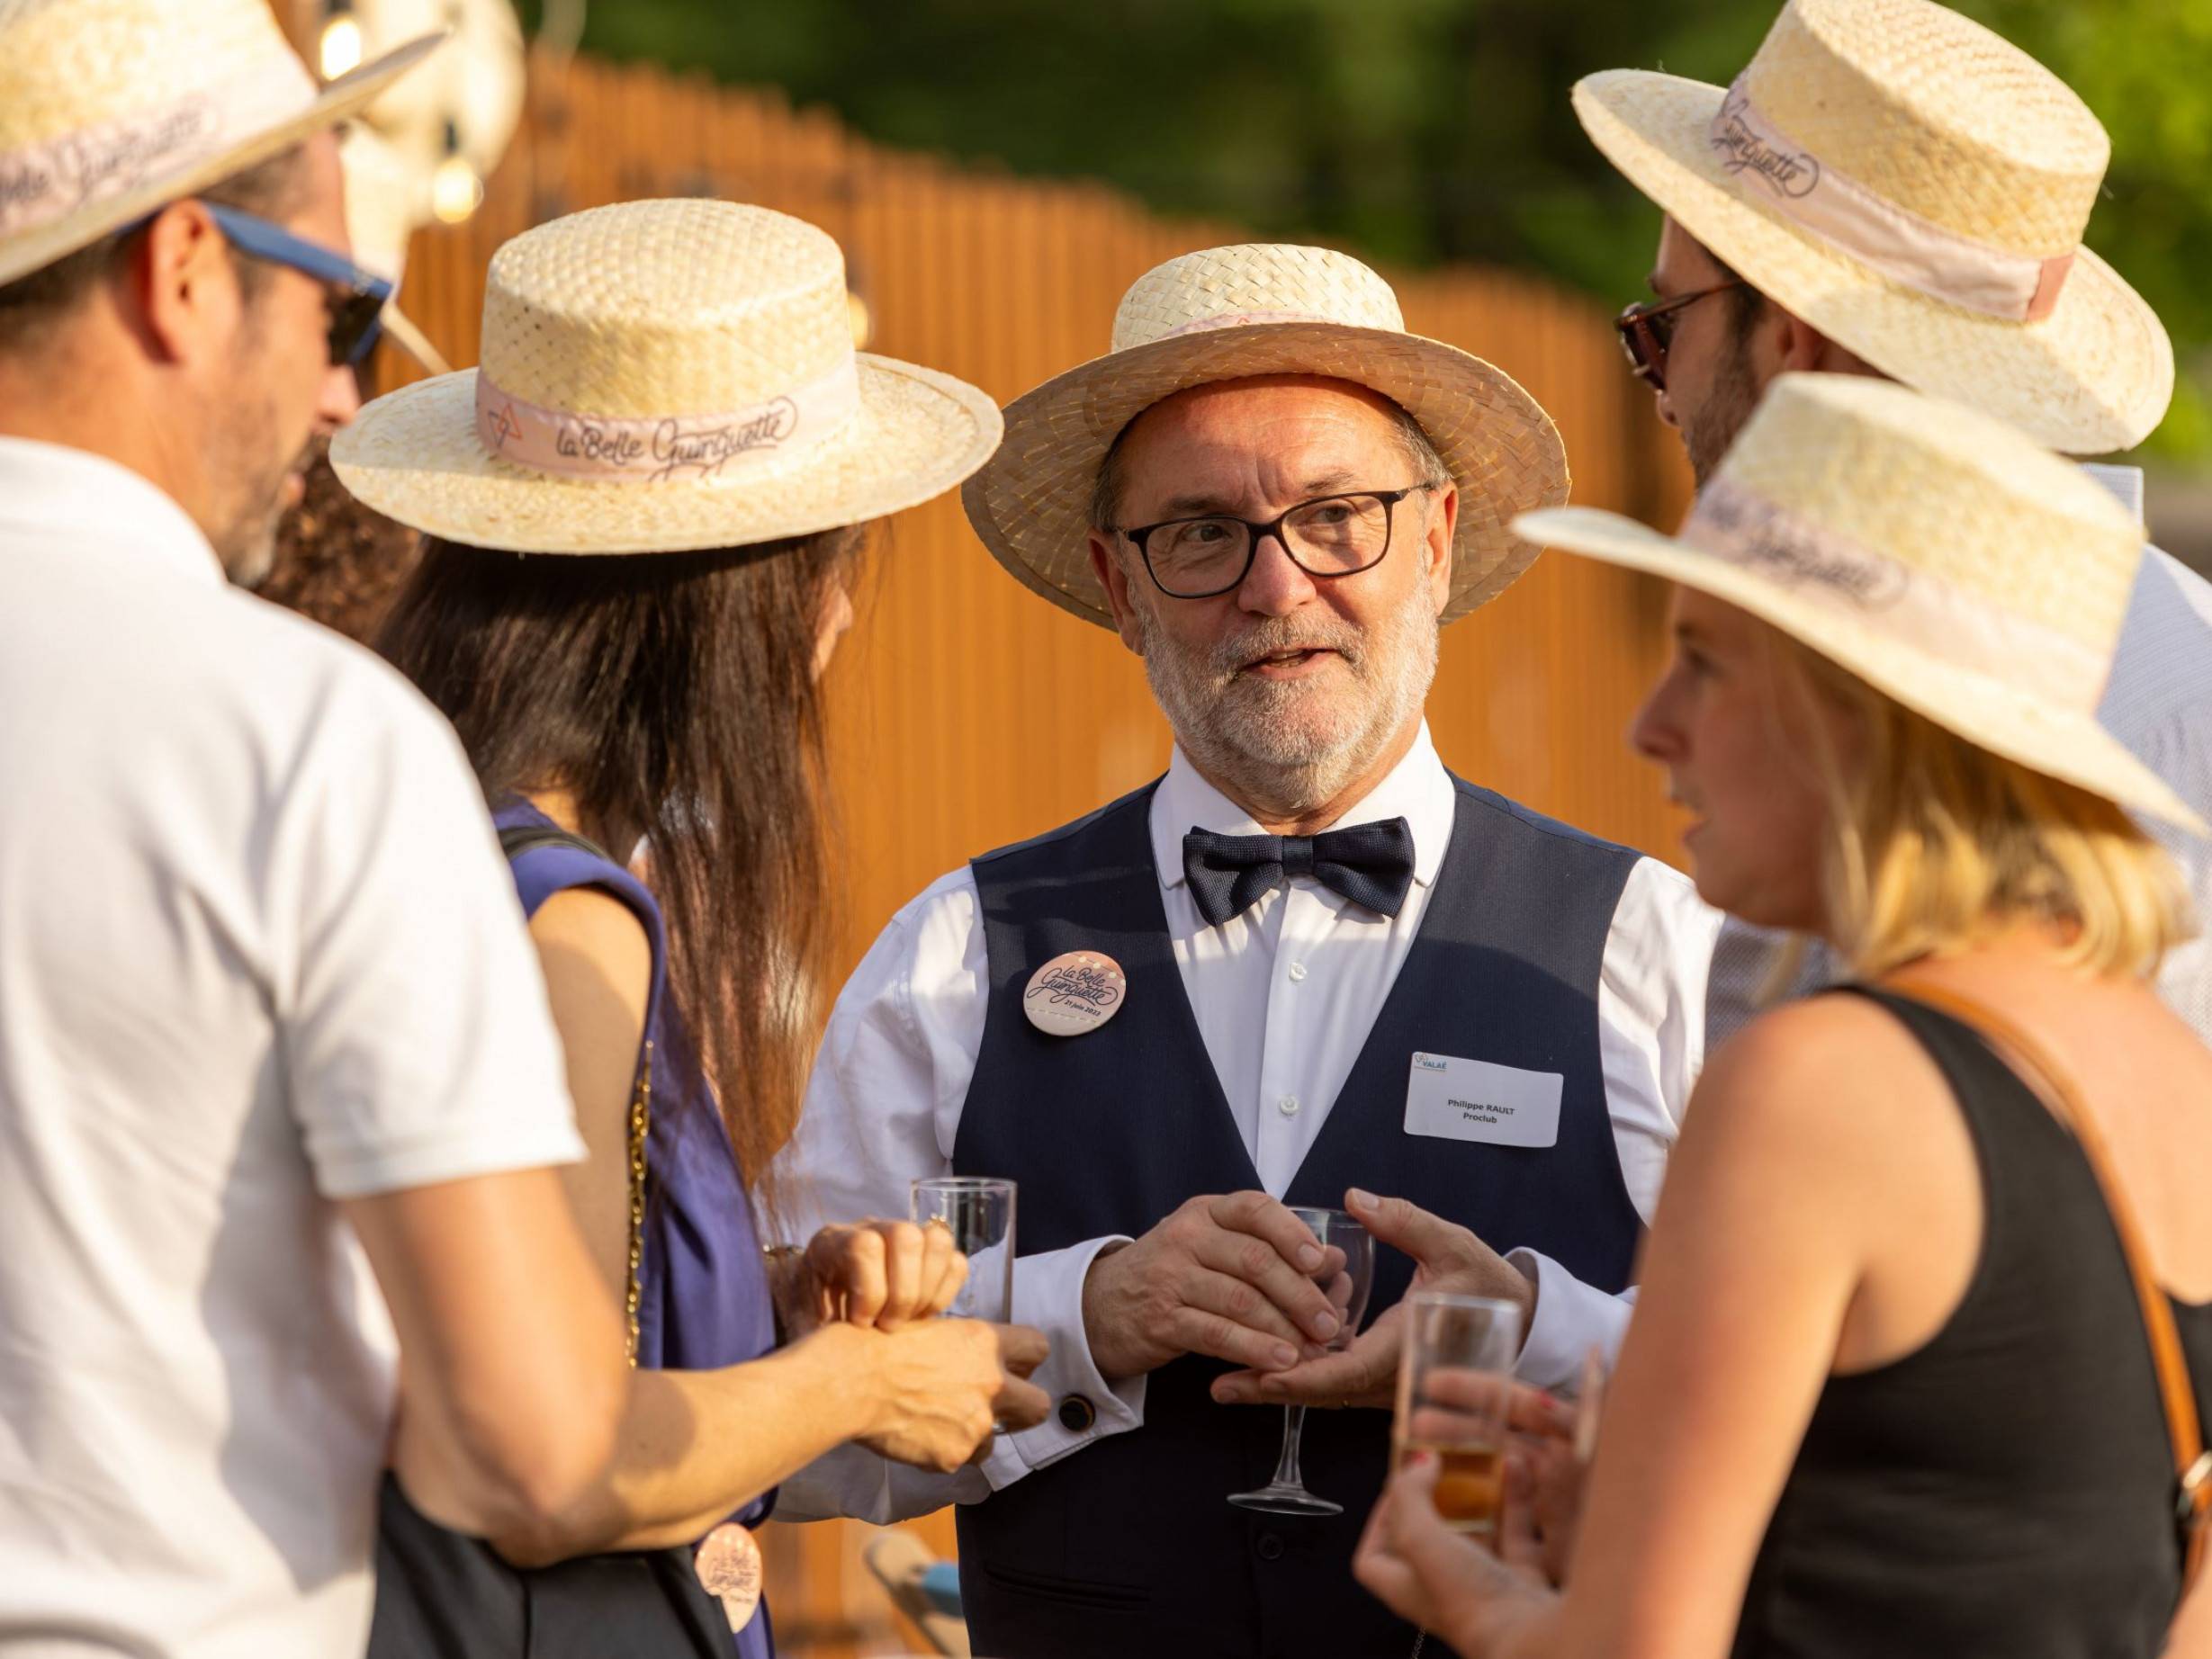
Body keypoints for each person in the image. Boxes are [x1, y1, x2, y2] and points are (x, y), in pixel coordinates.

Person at [775, 240, 1722, 1656]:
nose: (1276, 590)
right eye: (1203, 533)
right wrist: (1085, 1316)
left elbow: (1808, 1394)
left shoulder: (1648, 947)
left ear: (1439, 535)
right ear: (1117, 581)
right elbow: (786, 1419)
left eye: (1336, 516)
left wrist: (1526, 1333)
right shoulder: (957, 956)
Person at [1354, 371, 2212, 1658]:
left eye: (1703, 663)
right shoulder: (2160, 1063)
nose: (1650, 728)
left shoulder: (1820, 1084)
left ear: (1852, 718)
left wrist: (1473, 1590)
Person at [0, 5, 638, 1655]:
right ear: (188, 269)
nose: (348, 389)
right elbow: (528, 1446)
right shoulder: (307, 740)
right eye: (346, 306)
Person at [335, 197, 1051, 1658]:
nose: (840, 627)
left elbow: (493, 1307)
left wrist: (751, 1301)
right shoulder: (568, 922)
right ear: (738, 596)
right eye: (834, 567)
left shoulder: (412, 840)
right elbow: (561, 1457)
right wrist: (864, 1385)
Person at [1569, 0, 2212, 1047]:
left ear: (1790, 342)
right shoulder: (2157, 671)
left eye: (1659, 330)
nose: (1660, 393)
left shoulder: (2108, 724)